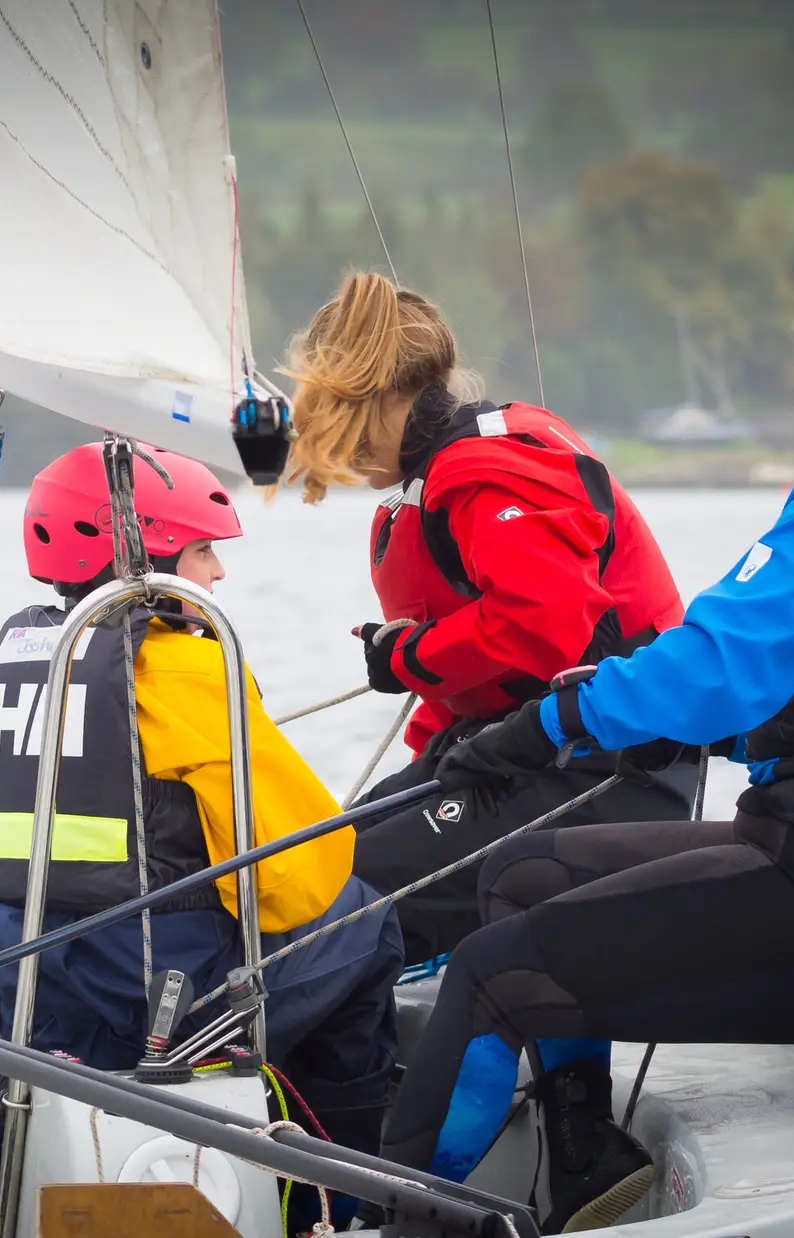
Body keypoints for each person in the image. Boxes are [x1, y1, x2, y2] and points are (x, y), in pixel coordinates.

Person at [379, 233, 794, 1231]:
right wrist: (684, 736)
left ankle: (390, 1223)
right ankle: (585, 1158)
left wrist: (552, 719)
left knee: (491, 975)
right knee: (519, 879)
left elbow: (711, 658)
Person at [0, 443, 404, 1235]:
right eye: (204, 550)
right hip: (166, 995)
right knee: (368, 921)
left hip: (32, 989)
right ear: (143, 554)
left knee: (52, 1050)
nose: (216, 575)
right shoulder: (192, 671)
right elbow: (298, 876)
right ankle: (341, 1202)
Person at [279, 272, 691, 967]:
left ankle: (339, 1071)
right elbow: (481, 678)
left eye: (337, 415)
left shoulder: (485, 473)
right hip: (514, 750)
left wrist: (409, 657)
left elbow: (544, 624)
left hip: (602, 769)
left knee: (343, 898)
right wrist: (424, 758)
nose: (338, 448)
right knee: (309, 867)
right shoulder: (448, 470)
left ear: (379, 399)